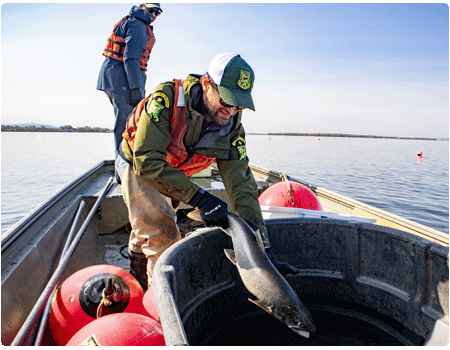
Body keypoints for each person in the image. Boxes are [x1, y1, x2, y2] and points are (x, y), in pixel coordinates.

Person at [117, 53, 293, 290]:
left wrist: (263, 249)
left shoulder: (232, 126)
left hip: (176, 172)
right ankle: (159, 307)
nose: (231, 111)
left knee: (148, 226)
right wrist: (199, 198)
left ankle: (137, 271)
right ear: (207, 84)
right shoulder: (167, 99)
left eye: (238, 104)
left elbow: (241, 184)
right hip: (139, 165)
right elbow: (147, 160)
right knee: (163, 237)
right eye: (227, 101)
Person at [97, 3, 163, 183]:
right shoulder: (138, 25)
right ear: (142, 7)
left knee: (126, 124)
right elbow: (131, 58)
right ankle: (124, 175)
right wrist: (136, 89)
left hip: (114, 79)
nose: (154, 14)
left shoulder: (133, 21)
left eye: (158, 12)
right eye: (151, 10)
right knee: (126, 127)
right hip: (122, 81)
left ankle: (124, 171)